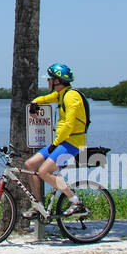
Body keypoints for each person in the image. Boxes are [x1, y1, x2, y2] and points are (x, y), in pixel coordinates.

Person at [22, 63, 88, 219]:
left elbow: (69, 125)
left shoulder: (72, 96)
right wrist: (34, 103)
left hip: (72, 143)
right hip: (61, 142)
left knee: (44, 172)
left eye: (50, 79)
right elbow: (44, 98)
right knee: (30, 165)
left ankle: (75, 201)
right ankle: (38, 206)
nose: (48, 82)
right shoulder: (61, 94)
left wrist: (55, 144)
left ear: (57, 80)